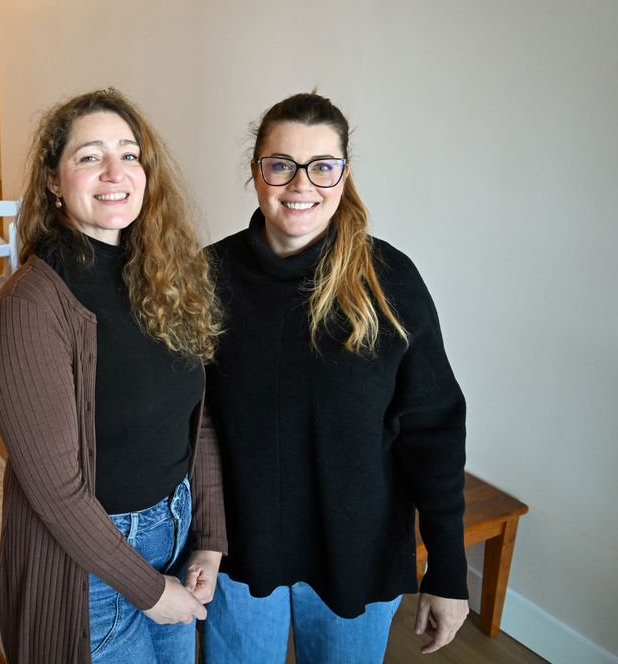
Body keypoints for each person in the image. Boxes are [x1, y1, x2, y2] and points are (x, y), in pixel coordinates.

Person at [199, 92, 469, 663]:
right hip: (238, 558)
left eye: (322, 166)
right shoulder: (206, 278)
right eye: (281, 165)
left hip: (356, 555)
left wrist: (447, 568)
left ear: (343, 175)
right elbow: (184, 424)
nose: (302, 185)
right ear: (256, 172)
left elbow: (433, 432)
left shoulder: (388, 280)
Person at [0, 88, 227, 663]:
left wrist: (210, 540)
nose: (115, 171)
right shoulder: (32, 307)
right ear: (52, 180)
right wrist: (147, 590)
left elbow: (197, 419)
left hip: (175, 537)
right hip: (91, 572)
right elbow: (55, 491)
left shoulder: (164, 278)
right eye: (89, 156)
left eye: (129, 153)